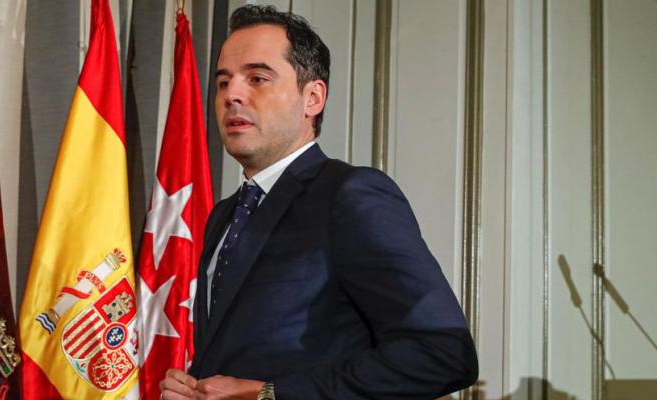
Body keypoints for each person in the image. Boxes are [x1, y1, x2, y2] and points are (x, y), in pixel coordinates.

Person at [160, 5, 478, 400]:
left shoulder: (351, 195)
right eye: (224, 82)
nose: (232, 95)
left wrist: (270, 393)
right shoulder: (223, 215)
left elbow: (443, 353)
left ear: (312, 98)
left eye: (257, 78)